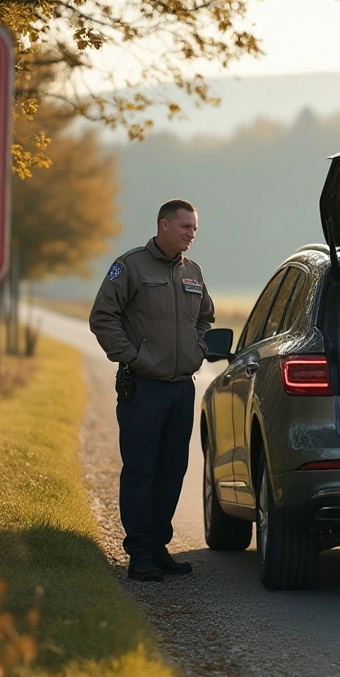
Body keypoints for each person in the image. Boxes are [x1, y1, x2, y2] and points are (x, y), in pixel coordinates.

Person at [90, 199, 215, 582]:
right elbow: (102, 316)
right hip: (143, 388)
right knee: (141, 470)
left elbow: (206, 318)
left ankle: (158, 547)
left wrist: (200, 349)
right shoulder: (129, 267)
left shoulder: (193, 271)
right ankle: (139, 553)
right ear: (163, 225)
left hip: (181, 389)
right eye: (185, 227)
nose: (192, 234)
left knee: (172, 469)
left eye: (195, 228)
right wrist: (133, 357)